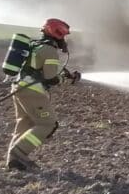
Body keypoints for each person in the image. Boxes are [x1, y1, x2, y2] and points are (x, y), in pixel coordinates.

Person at [6, 18, 81, 171]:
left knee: (24, 124)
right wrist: (67, 78)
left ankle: (13, 160)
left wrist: (63, 75)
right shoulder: (50, 50)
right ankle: (19, 153)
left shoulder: (35, 46)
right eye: (63, 36)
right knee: (47, 124)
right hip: (32, 91)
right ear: (58, 33)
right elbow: (50, 78)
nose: (64, 40)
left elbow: (41, 71)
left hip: (18, 87)